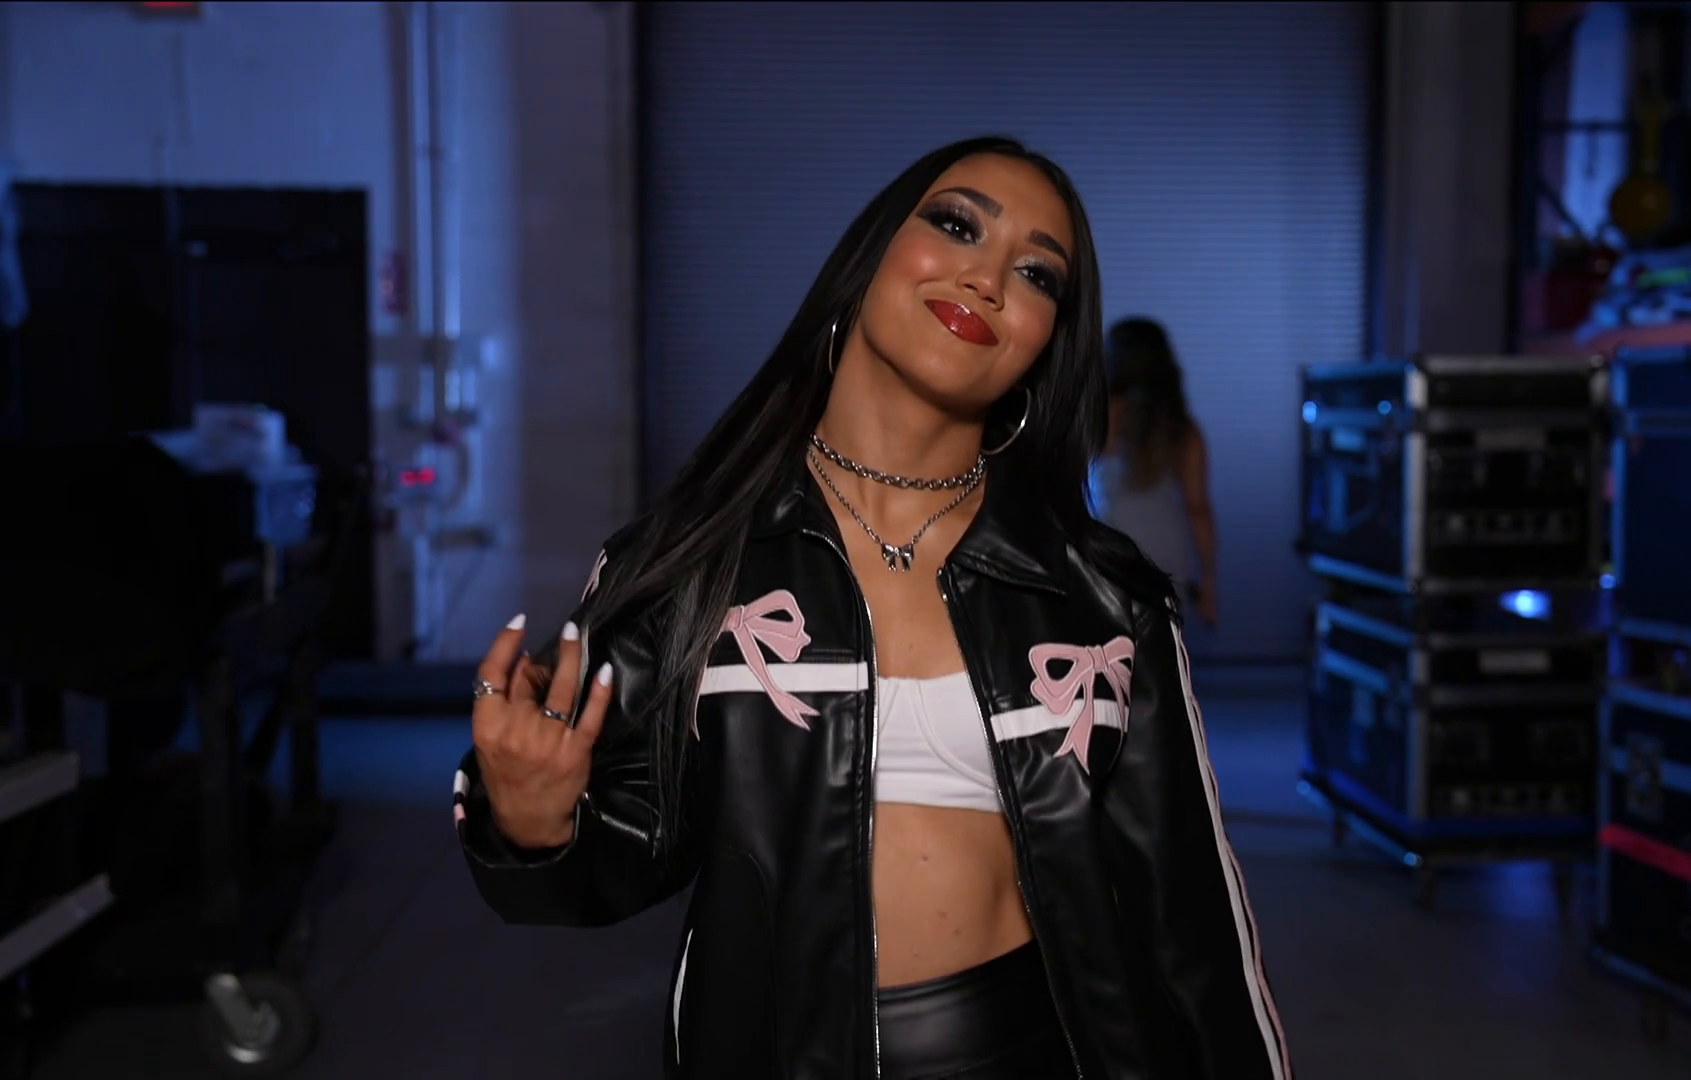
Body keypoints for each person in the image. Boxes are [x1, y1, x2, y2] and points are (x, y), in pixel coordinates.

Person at [455, 136, 1290, 1080]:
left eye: (1037, 274)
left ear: (1046, 341)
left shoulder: (1105, 598)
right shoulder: (689, 562)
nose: (987, 279)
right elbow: (617, 860)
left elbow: (1195, 924)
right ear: (870, 254)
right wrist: (533, 820)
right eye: (957, 225)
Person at [1092, 318, 1219, 628]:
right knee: (1163, 651)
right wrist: (1208, 578)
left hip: (1108, 556)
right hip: (1166, 561)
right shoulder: (1181, 428)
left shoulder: (1096, 416)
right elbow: (1198, 508)